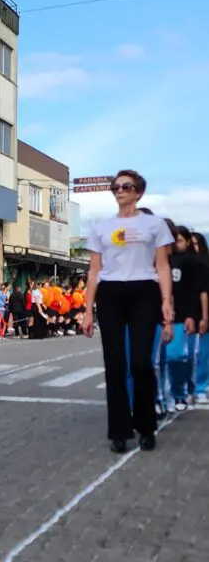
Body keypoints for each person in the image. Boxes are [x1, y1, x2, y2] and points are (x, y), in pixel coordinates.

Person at [83, 169, 173, 454]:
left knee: (141, 363)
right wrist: (87, 310)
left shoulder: (154, 224)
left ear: (138, 192)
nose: (120, 190)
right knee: (115, 364)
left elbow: (162, 266)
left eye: (126, 186)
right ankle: (119, 431)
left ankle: (146, 427)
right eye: (116, 186)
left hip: (144, 290)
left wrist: (166, 300)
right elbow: (94, 270)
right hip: (110, 293)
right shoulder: (101, 228)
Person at [167, 225, 207, 412]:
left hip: (185, 317)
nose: (175, 244)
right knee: (164, 358)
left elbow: (199, 291)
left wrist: (199, 316)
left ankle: (187, 389)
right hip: (165, 316)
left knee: (184, 356)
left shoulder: (194, 262)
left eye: (179, 240)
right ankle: (171, 394)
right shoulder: (165, 260)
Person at [191, 231, 209, 405]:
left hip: (204, 314)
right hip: (186, 314)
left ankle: (201, 387)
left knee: (203, 354)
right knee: (187, 355)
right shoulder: (183, 263)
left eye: (196, 244)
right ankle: (189, 387)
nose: (193, 247)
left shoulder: (205, 265)